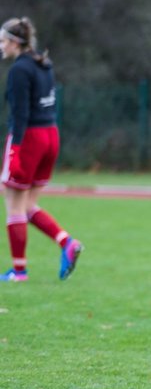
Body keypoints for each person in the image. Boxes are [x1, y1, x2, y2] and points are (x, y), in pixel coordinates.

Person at [1, 17, 82, 282]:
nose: (1, 47)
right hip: (50, 134)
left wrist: (15, 152)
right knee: (28, 205)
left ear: (15, 42)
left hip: (30, 139)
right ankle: (66, 242)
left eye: (3, 41)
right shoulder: (44, 63)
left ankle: (19, 272)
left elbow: (21, 114)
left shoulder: (19, 70)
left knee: (13, 206)